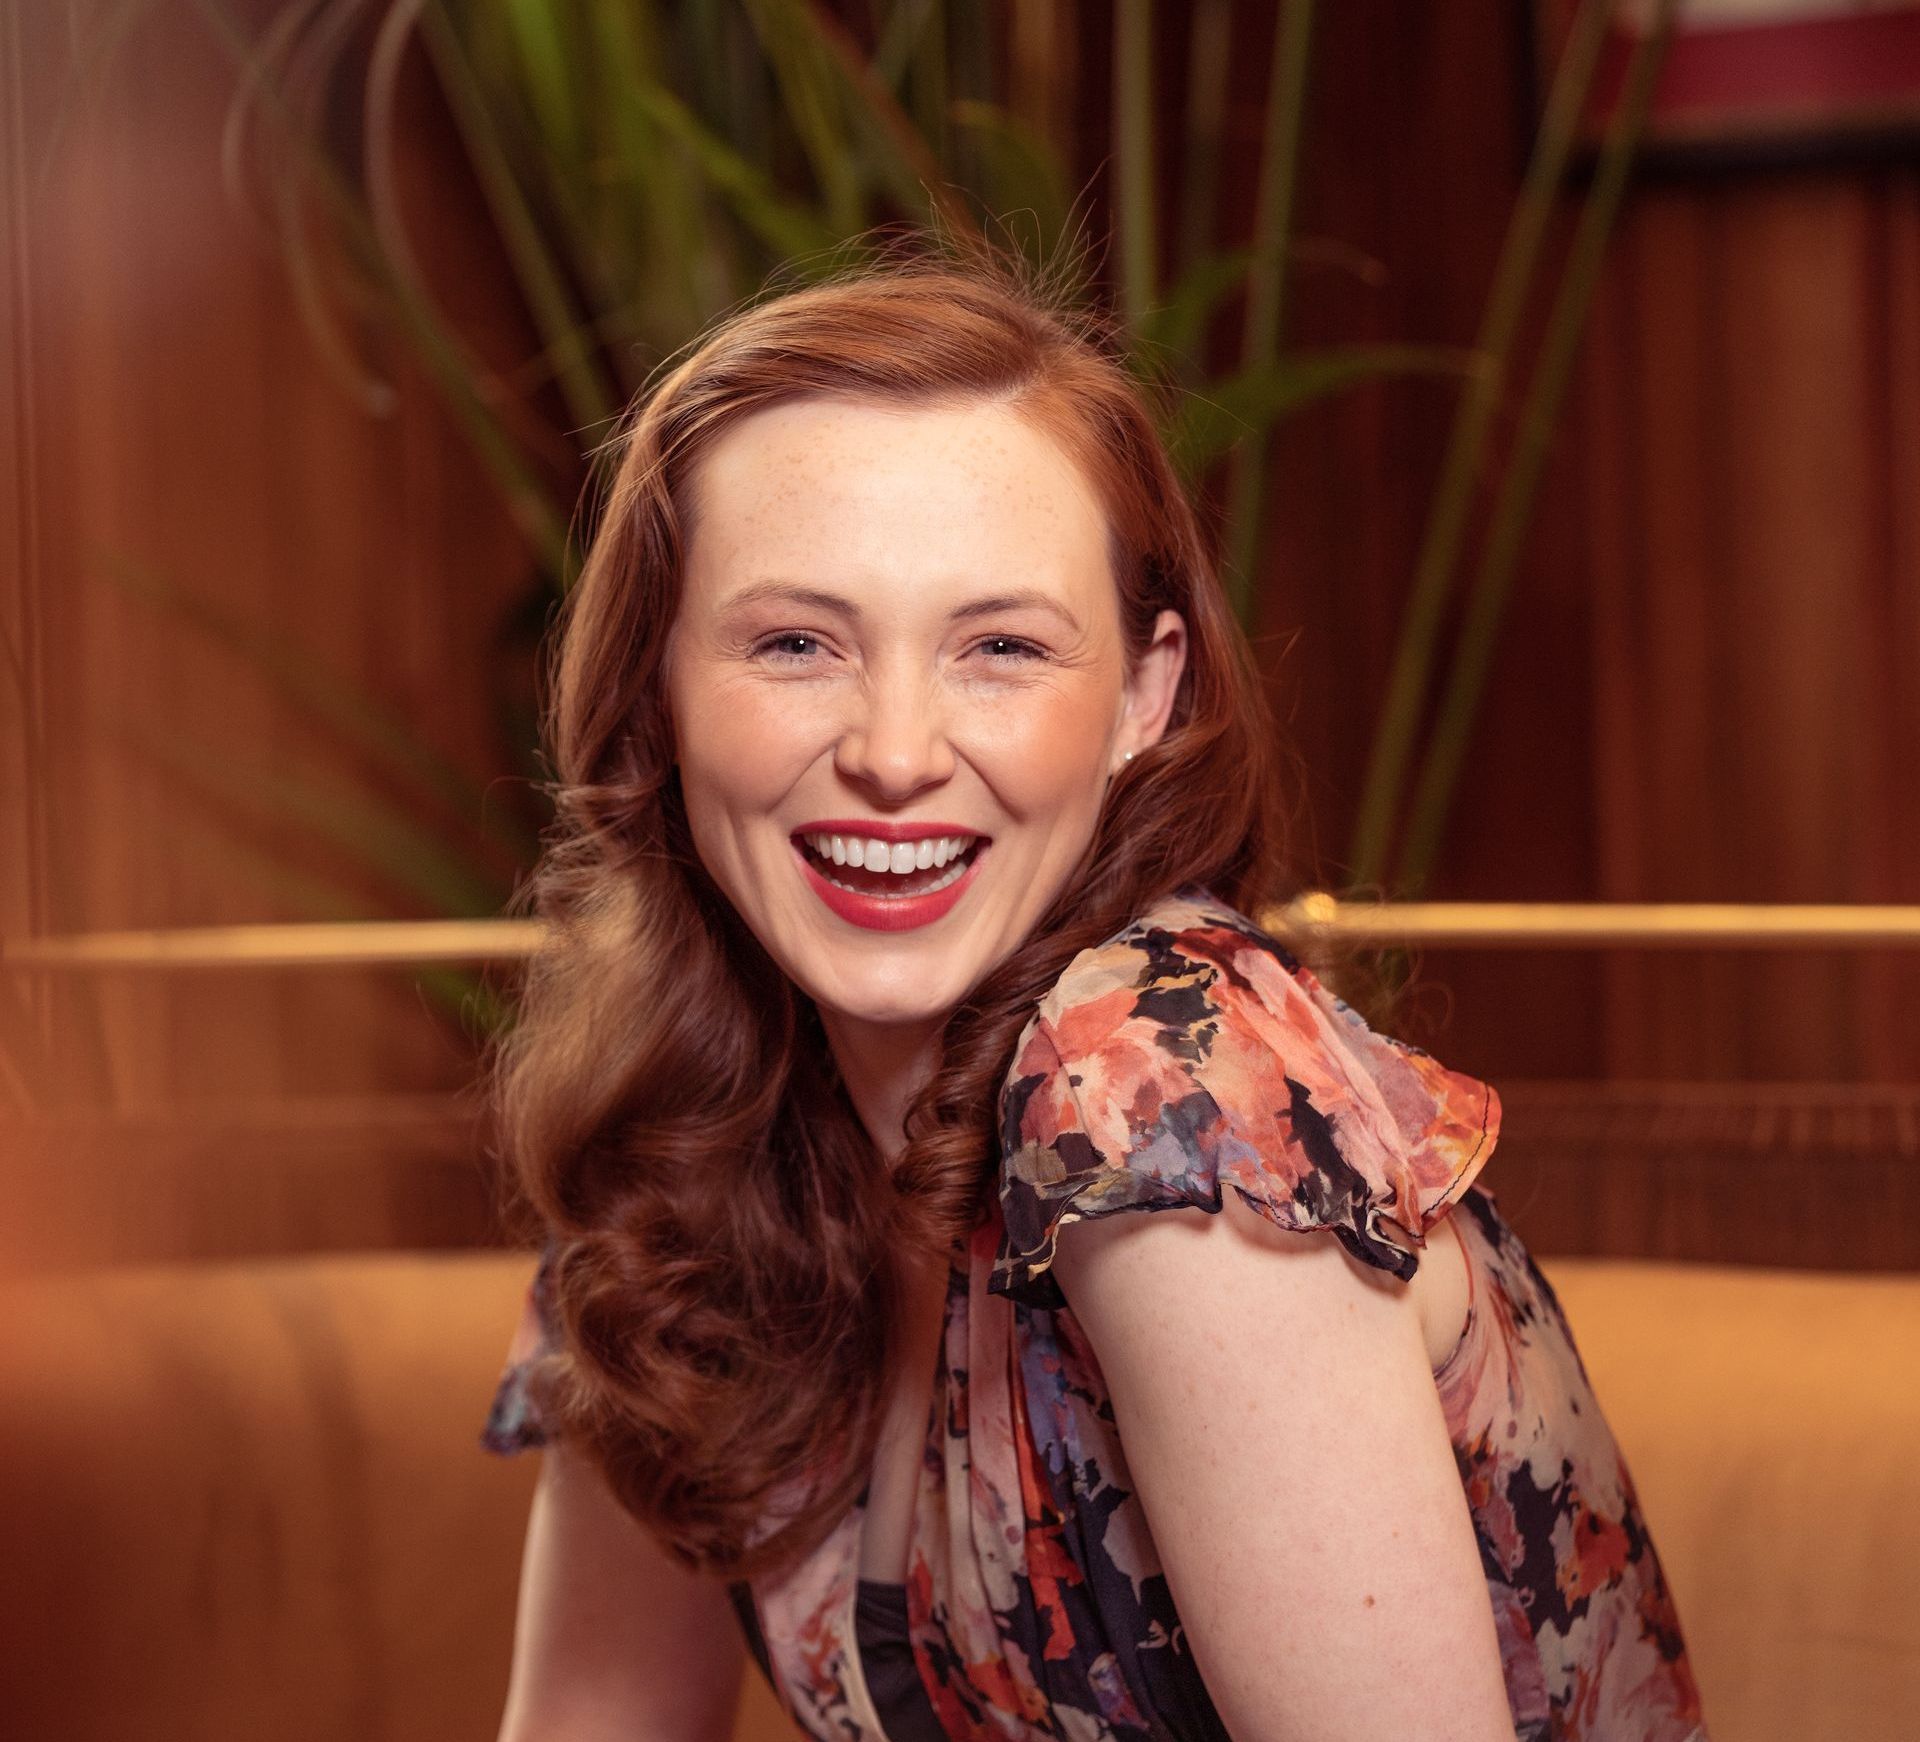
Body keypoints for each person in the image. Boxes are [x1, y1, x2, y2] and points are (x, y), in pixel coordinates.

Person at [478, 239, 1708, 1742]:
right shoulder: (680, 1125)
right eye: (796, 642)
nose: (896, 746)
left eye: (1000, 646)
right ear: (658, 688)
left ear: (1144, 694)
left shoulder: (1161, 1072)